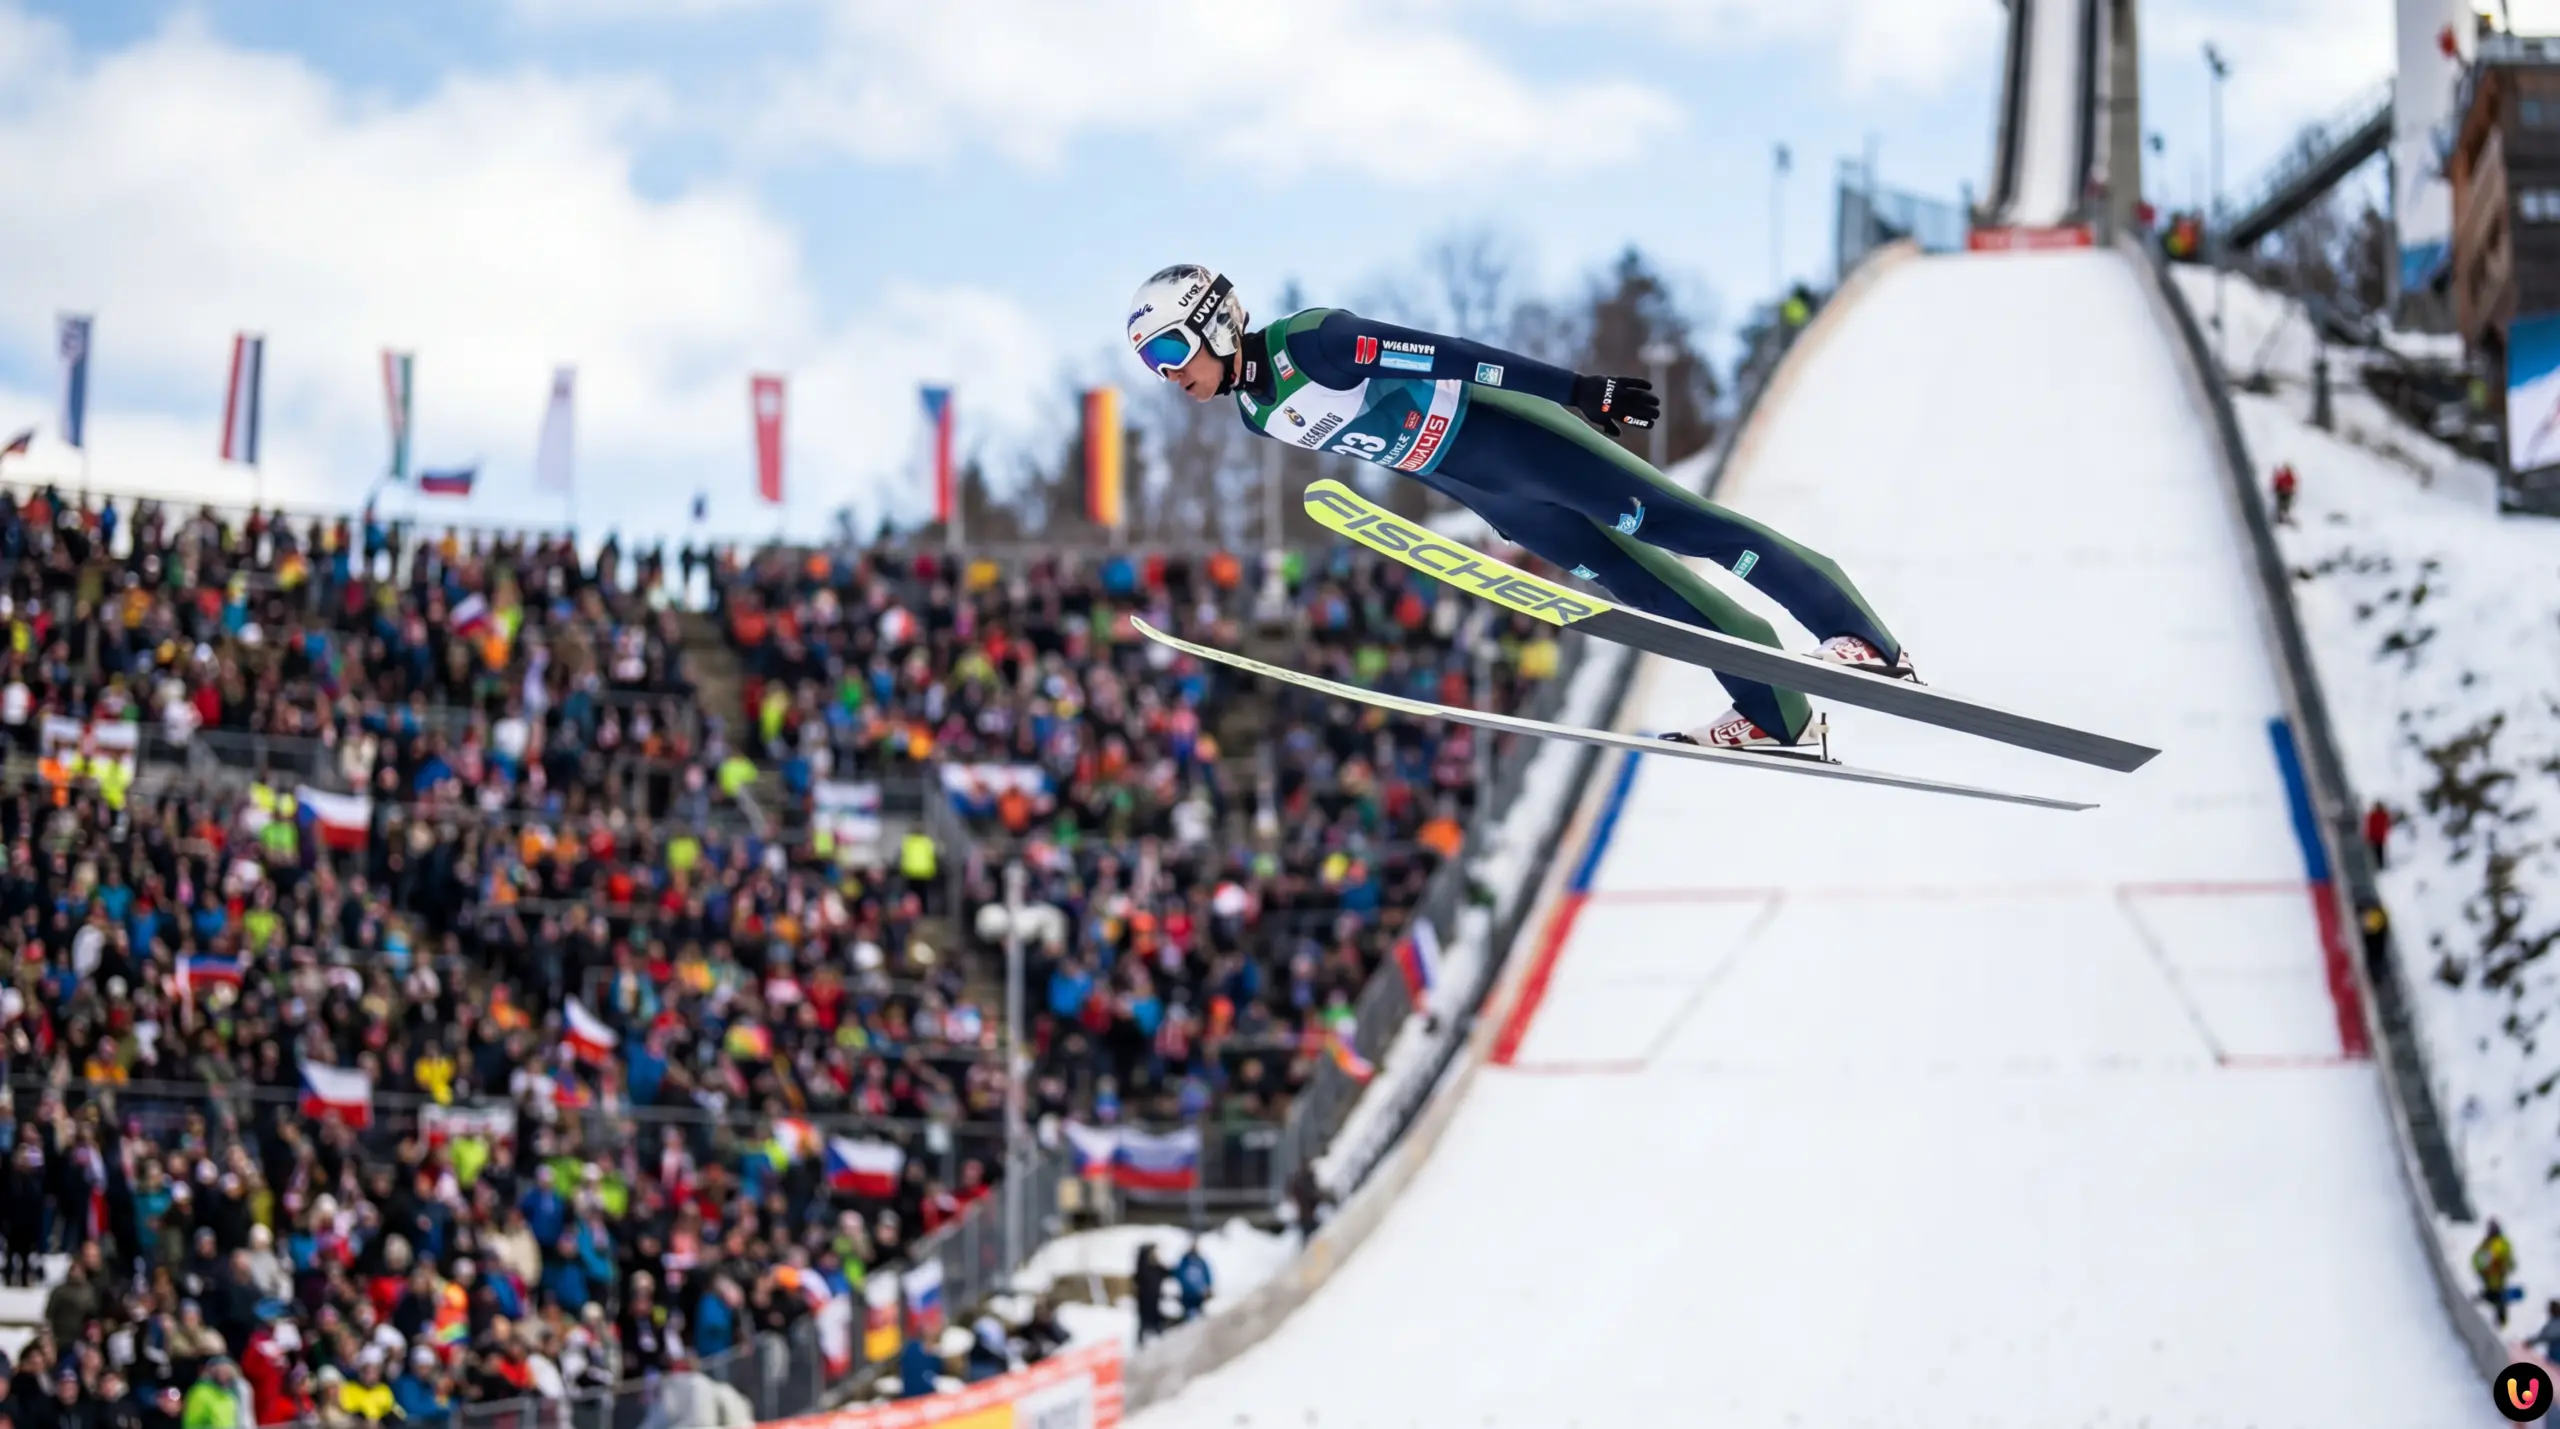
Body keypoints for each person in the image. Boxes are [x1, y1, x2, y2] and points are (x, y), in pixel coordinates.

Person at [1127, 264, 1913, 752]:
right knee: (1645, 588)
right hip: (1485, 487)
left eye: (1168, 351)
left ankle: (1857, 633)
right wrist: (1486, 515)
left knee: (1685, 524)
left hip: (1515, 435)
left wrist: (1573, 389)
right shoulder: (1258, 412)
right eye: (1152, 365)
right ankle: (1778, 714)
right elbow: (1388, 448)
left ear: (1213, 321)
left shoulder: (1314, 345)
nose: (1168, 375)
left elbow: (1450, 354)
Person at [2476, 1218, 2519, 1327]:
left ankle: (2500, 1321)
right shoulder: (2487, 1242)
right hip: (2490, 1275)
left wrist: (2507, 1265)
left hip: (2498, 1275)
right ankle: (2493, 1318)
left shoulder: (2500, 1242)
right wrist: (2481, 1269)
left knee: (2498, 1297)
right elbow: (2478, 1258)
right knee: (2492, 1294)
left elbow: (2508, 1257)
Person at [1130, 1245, 1169, 1345]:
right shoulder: (1143, 1269)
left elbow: (1168, 1272)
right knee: (1144, 1325)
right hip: (1145, 1302)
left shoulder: (1156, 1268)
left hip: (1155, 1302)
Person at [1172, 1240, 1213, 1325]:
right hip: (1187, 1294)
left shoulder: (1201, 1261)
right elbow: (1179, 1275)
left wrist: (1208, 1287)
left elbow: (1207, 1275)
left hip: (1200, 1293)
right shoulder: (1184, 1261)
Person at [2364, 800, 2392, 869]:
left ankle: (2378, 866)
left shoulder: (2373, 815)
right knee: (2379, 852)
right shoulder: (2383, 815)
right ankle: (2379, 866)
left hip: (2376, 837)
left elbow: (2369, 826)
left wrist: (2367, 836)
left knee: (2377, 852)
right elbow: (2388, 824)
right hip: (2378, 837)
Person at [2271, 462, 2298, 527]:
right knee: (2280, 504)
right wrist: (2277, 489)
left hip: (2288, 493)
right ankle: (2280, 517)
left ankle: (2286, 516)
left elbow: (2293, 483)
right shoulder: (2281, 475)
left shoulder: (2290, 476)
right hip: (2281, 492)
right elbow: (2277, 482)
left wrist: (2291, 490)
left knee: (2287, 505)